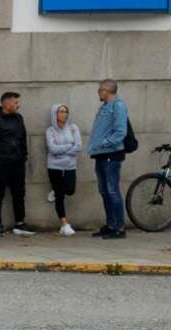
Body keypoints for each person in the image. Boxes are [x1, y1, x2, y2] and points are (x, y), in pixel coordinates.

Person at [0, 92, 33, 237]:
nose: (18, 105)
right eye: (15, 102)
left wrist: (23, 157)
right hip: (0, 164)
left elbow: (23, 139)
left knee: (19, 193)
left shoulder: (19, 119)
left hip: (17, 163)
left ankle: (20, 223)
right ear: (6, 104)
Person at [88, 79, 129, 240]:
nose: (99, 93)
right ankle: (111, 225)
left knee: (112, 191)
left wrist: (104, 143)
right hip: (101, 154)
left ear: (107, 90)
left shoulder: (118, 106)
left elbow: (121, 131)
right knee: (104, 191)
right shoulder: (104, 107)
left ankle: (119, 227)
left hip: (112, 155)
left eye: (100, 90)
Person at [46, 104, 82, 237]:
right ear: (55, 114)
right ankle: (64, 224)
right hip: (54, 167)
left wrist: (62, 150)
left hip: (70, 166)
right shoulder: (50, 131)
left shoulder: (73, 128)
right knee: (60, 196)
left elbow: (78, 147)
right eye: (61, 112)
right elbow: (52, 149)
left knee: (70, 190)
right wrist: (69, 147)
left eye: (66, 111)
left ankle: (56, 190)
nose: (64, 114)